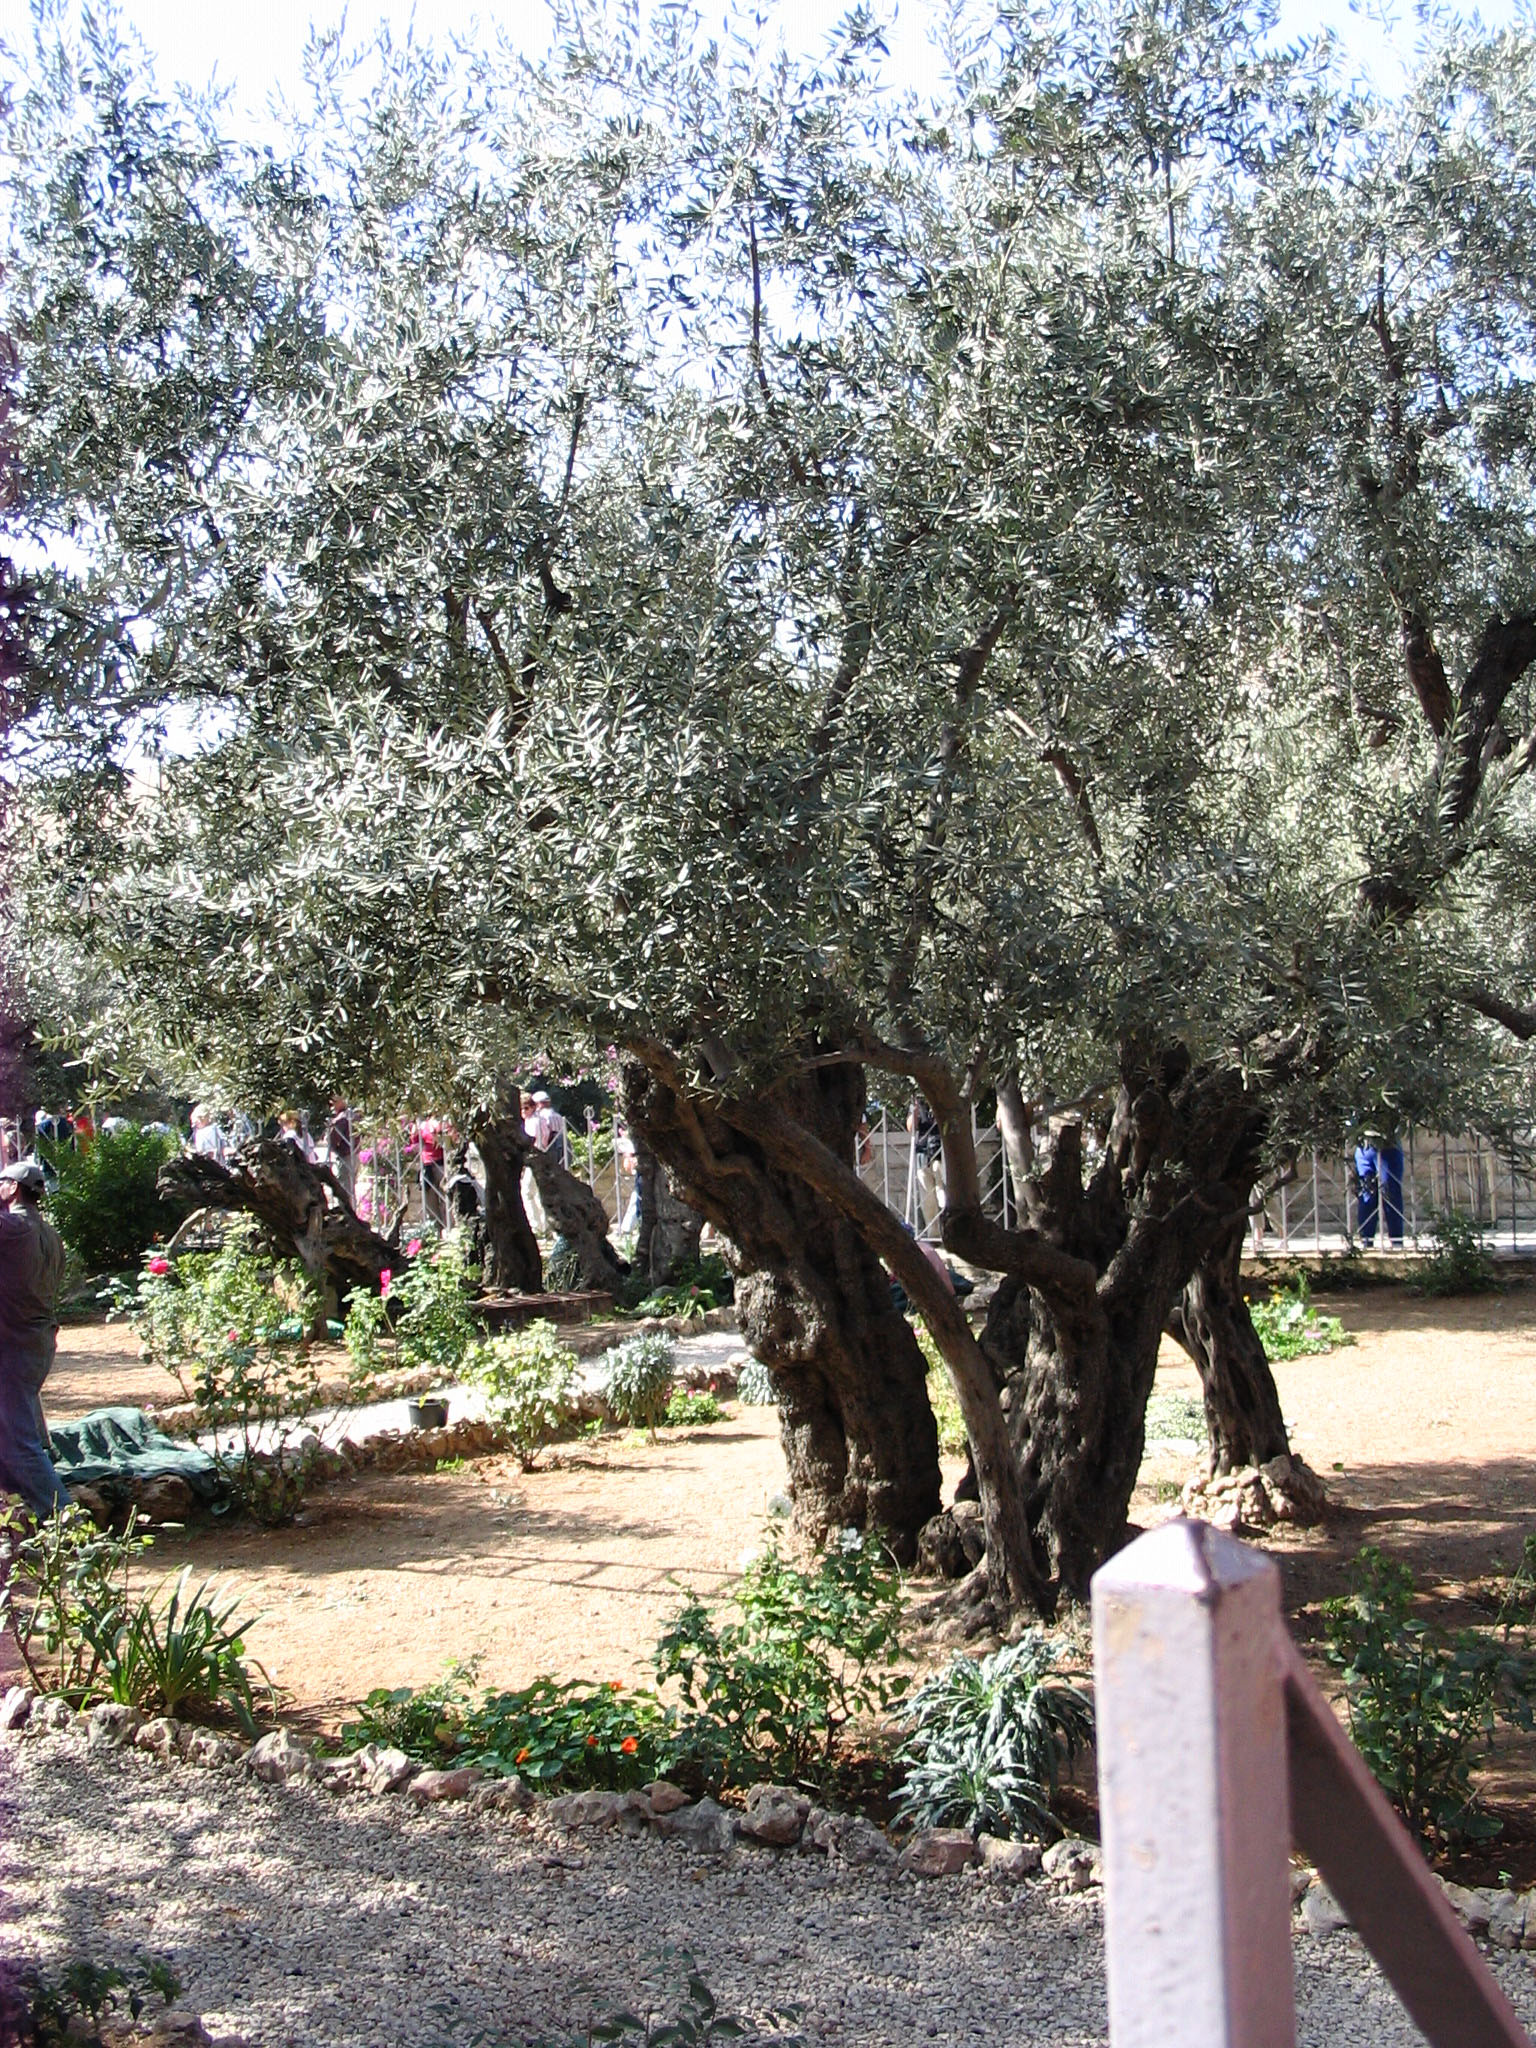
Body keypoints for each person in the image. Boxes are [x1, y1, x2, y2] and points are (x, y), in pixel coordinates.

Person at [0, 1160, 71, 1518]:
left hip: (14, 1347)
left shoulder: (12, 1227)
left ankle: (67, 1522)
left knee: (19, 1445)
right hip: (38, 1343)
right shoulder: (49, 1233)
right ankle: (16, 1524)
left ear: (13, 1189)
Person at [907, 1096, 945, 1232]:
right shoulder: (917, 1101)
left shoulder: (943, 1097)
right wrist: (915, 1110)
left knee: (943, 1194)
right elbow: (911, 1128)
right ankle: (933, 1235)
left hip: (941, 1152)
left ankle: (949, 1231)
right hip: (922, 1153)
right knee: (927, 1199)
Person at [1378, 1135, 1406, 1249]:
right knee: (1367, 1196)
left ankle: (1396, 1240)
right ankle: (1366, 1241)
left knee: (1391, 1193)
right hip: (1365, 1146)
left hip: (1389, 1144)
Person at [1353, 1137, 1380, 1247]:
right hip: (1387, 1144)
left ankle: (1366, 1240)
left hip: (1363, 1145)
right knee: (1391, 1194)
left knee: (1367, 1195)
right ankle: (1397, 1240)